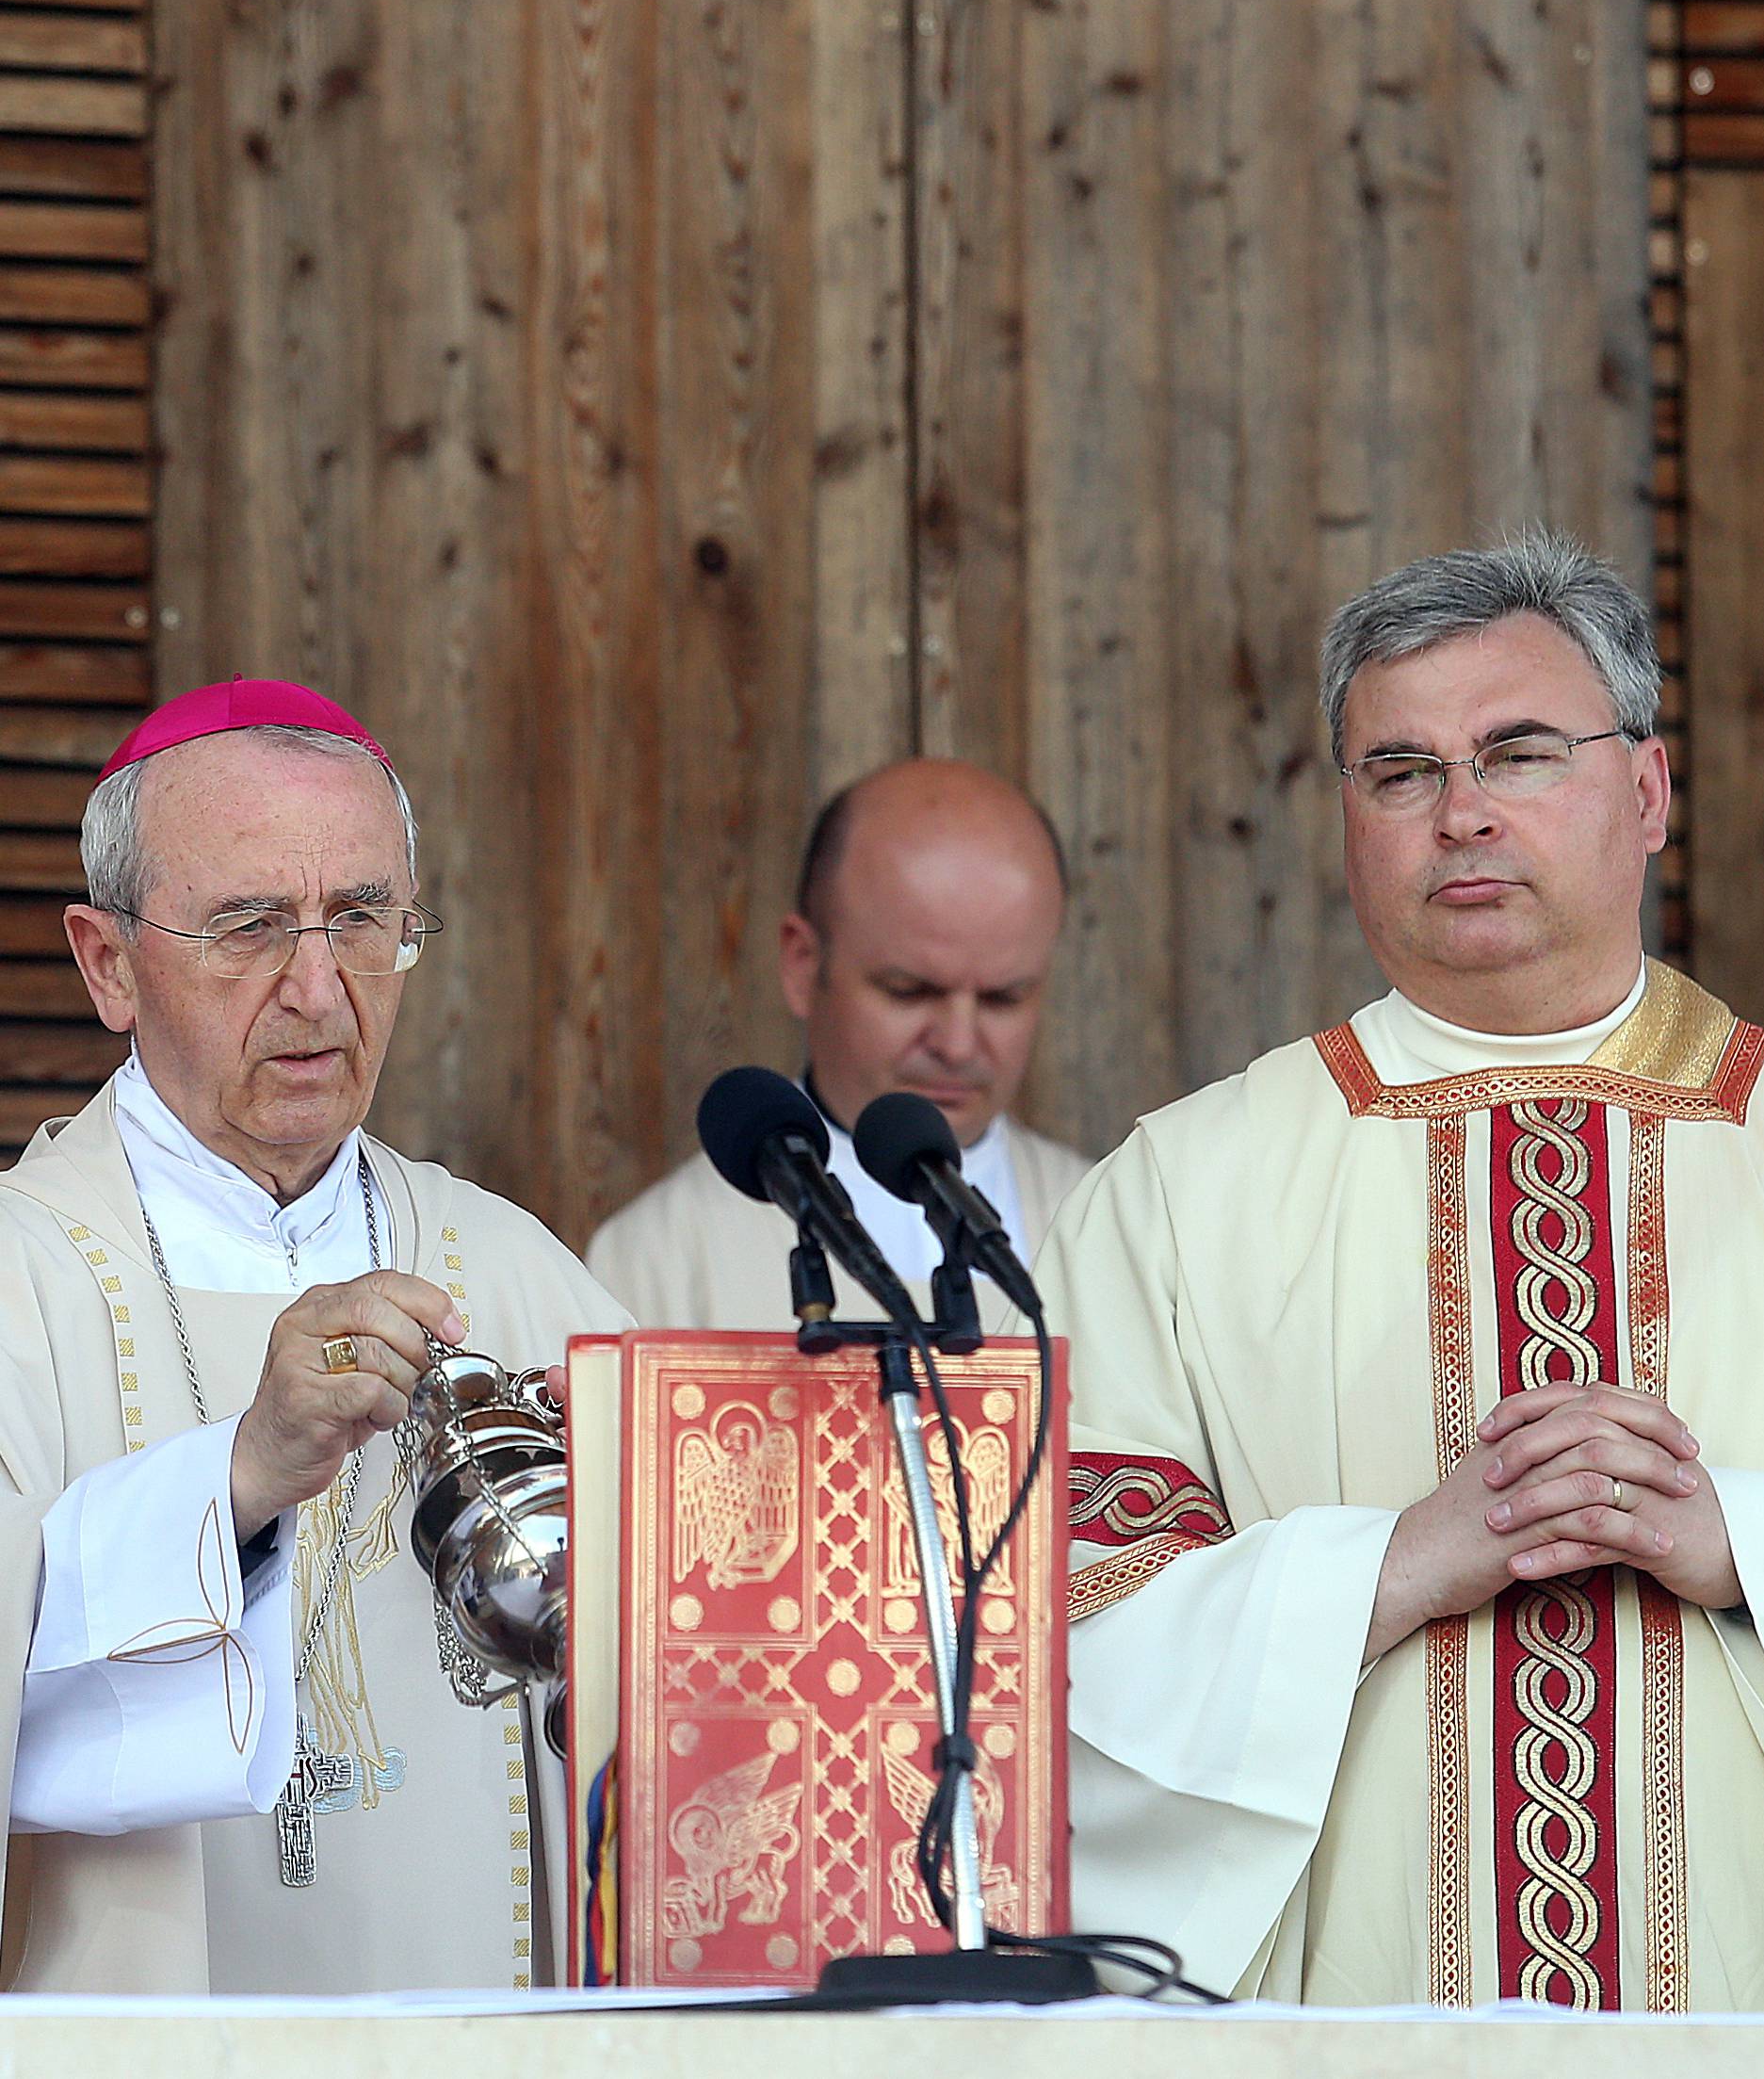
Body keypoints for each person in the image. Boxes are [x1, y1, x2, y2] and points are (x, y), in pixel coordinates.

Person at [1044, 530, 1764, 2013]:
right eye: (1400, 772)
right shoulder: (1179, 1191)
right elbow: (1042, 1653)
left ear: (1646, 793)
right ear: (1348, 821)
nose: (1459, 811)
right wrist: (1382, 1571)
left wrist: (1748, 1553)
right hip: (1357, 2014)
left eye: (1518, 754)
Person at [0, 677, 630, 1994]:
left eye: (361, 920)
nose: (318, 986)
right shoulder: (24, 1273)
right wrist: (235, 1478)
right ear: (108, 962)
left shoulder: (508, 1270)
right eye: (248, 926)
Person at [588, 758, 1090, 1329]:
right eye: (909, 992)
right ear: (803, 965)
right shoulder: (661, 1264)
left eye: (1003, 998)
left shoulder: (1113, 1229)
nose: (956, 1044)